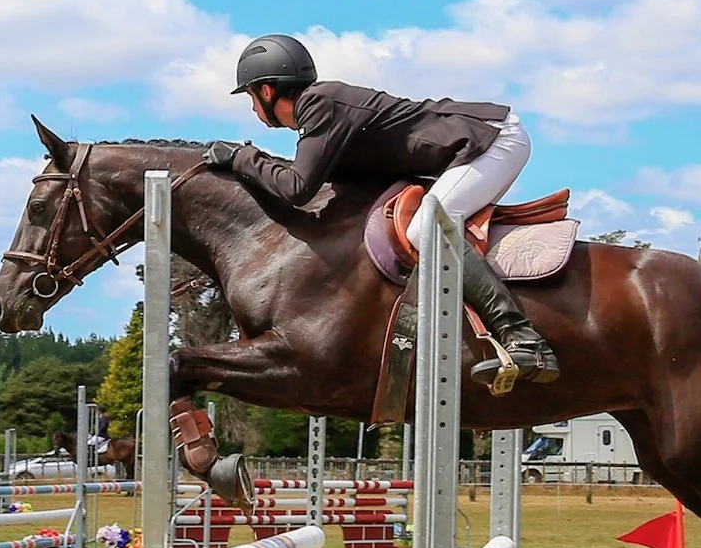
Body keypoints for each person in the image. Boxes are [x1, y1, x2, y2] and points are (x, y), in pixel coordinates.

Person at [204, 33, 560, 385]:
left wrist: (242, 158)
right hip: (476, 145)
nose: (252, 108)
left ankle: (523, 338)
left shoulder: (319, 103)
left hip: (492, 140)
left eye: (250, 96)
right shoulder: (323, 114)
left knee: (427, 227)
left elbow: (297, 188)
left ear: (267, 91)